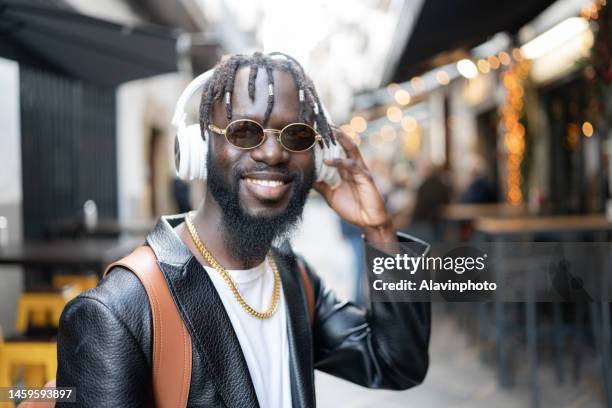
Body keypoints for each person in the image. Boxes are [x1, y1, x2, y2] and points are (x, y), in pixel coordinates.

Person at [56, 52, 430, 407]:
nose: (272, 153)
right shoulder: (118, 312)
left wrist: (380, 231)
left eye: (296, 135)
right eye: (245, 132)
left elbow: (396, 362)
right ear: (200, 146)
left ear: (316, 158)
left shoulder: (293, 277)